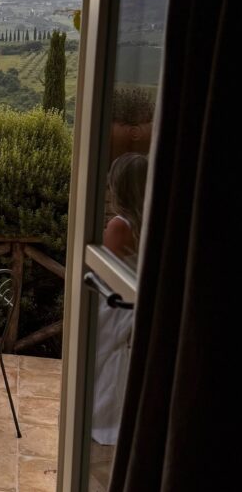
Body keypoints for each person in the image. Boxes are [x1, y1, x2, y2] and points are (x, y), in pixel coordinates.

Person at [92, 152, 148, 445]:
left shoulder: (119, 225)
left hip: (113, 300)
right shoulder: (146, 223)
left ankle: (103, 421)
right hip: (129, 301)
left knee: (102, 357)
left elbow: (100, 263)